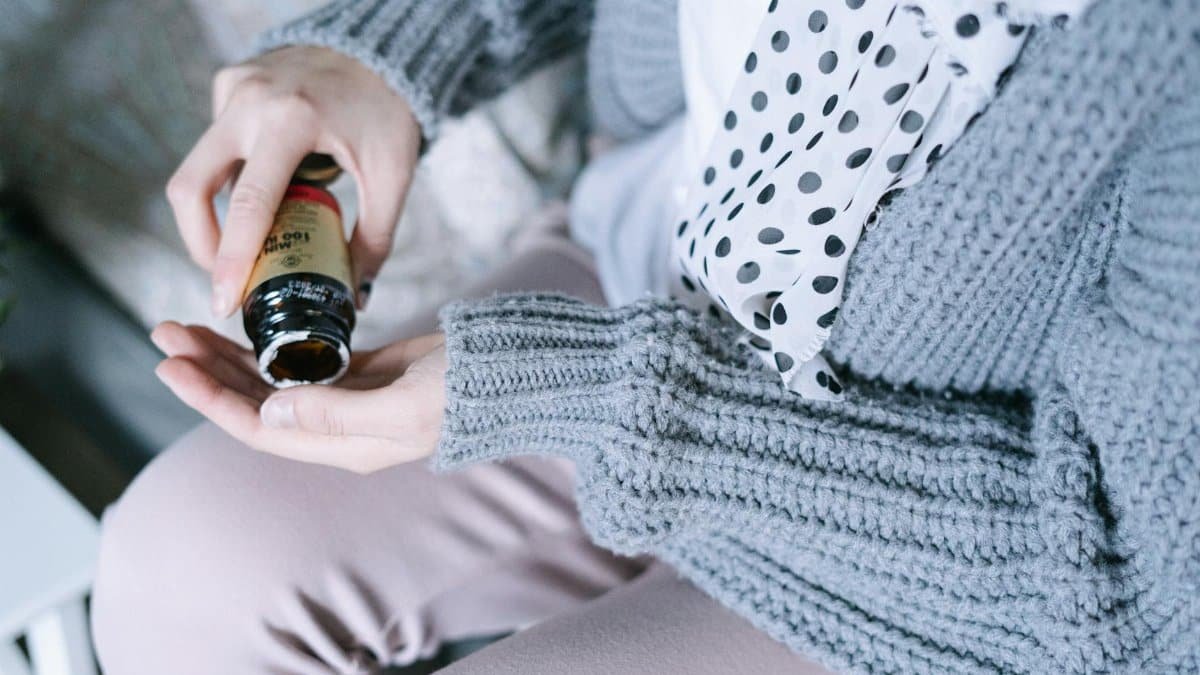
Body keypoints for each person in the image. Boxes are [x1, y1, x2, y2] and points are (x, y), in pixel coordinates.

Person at [91, 0, 1200, 673]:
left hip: (952, 571)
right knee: (175, 573)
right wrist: (387, 51)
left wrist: (579, 397)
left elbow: (1135, 606)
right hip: (651, 269)